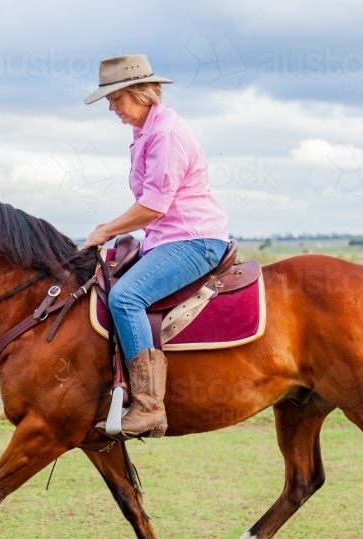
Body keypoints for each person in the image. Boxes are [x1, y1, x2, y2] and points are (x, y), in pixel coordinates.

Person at [83, 54, 230, 440]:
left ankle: (148, 407)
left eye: (115, 99)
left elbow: (153, 206)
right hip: (168, 239)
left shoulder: (165, 135)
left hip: (193, 240)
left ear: (138, 92)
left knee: (126, 298)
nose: (112, 108)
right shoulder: (146, 130)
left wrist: (106, 230)